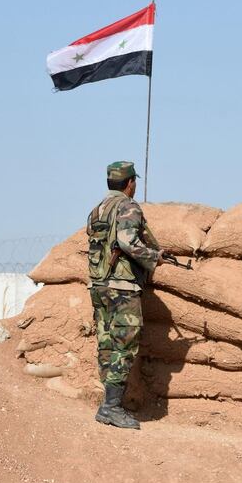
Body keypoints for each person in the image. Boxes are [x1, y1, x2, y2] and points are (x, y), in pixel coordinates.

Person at [86, 161, 163, 430]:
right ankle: (112, 407)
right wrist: (154, 257)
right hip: (121, 286)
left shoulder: (97, 210)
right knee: (125, 343)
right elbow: (128, 242)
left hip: (99, 285)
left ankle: (107, 405)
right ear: (130, 183)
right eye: (134, 182)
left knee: (106, 343)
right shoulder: (128, 206)